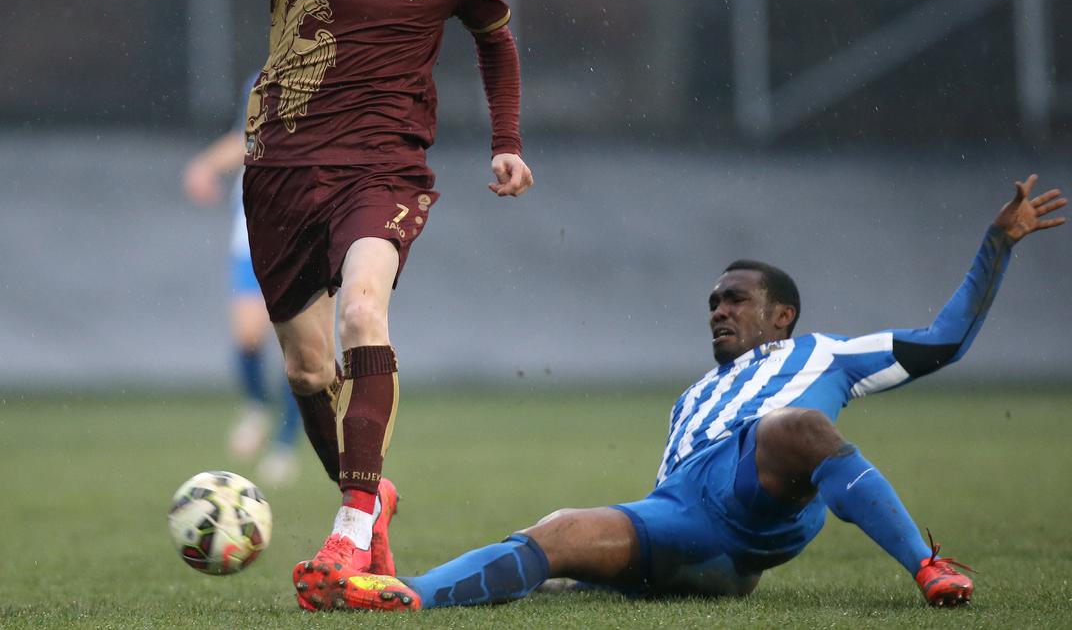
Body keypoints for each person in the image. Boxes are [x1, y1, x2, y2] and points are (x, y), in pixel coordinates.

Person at [132, 0, 534, 609]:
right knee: (307, 367)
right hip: (279, 173)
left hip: (385, 169)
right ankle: (370, 498)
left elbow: (494, 36)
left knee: (361, 314)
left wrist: (507, 138)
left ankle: (349, 526)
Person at [329, 175, 1066, 612]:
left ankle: (928, 566)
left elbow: (944, 340)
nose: (718, 308)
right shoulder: (690, 398)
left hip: (763, 487)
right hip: (687, 512)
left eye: (736, 298)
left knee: (798, 425)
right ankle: (403, 591)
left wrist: (996, 245)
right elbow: (665, 495)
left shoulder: (827, 353)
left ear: (782, 315)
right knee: (556, 532)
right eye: (713, 299)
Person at [182, 116, 302, 488]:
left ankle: (284, 446)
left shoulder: (331, 73)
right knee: (248, 335)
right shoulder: (263, 80)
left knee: (300, 352)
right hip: (252, 233)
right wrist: (206, 165)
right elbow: (245, 137)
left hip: (302, 232)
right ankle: (257, 407)